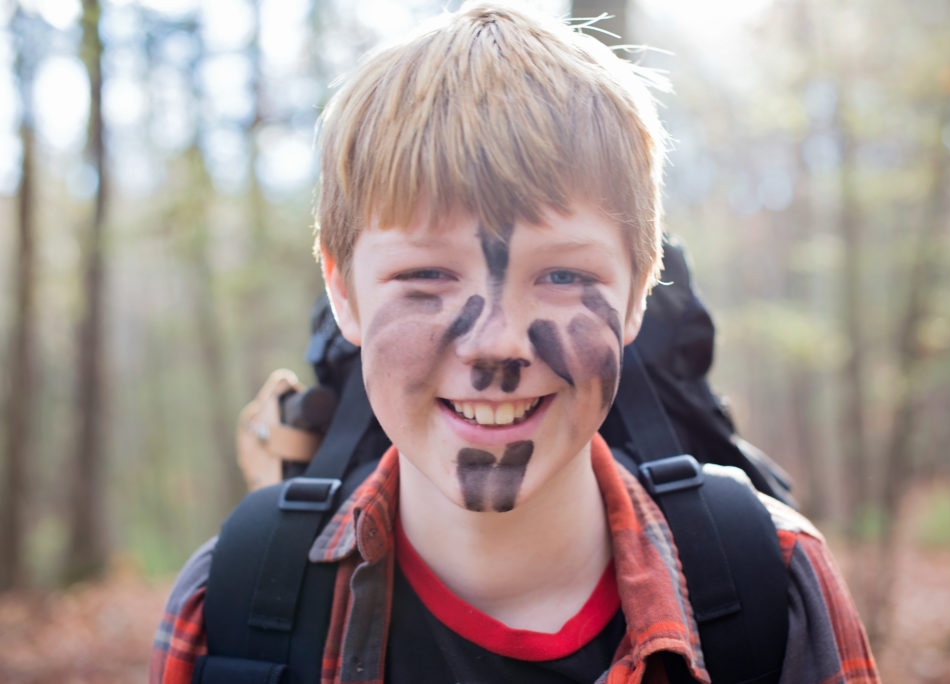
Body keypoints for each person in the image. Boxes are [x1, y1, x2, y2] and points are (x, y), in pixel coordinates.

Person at [151, 3, 878, 682]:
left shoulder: (774, 587)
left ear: (635, 294)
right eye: (426, 275)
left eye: (562, 273)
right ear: (344, 293)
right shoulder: (232, 607)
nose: (496, 346)